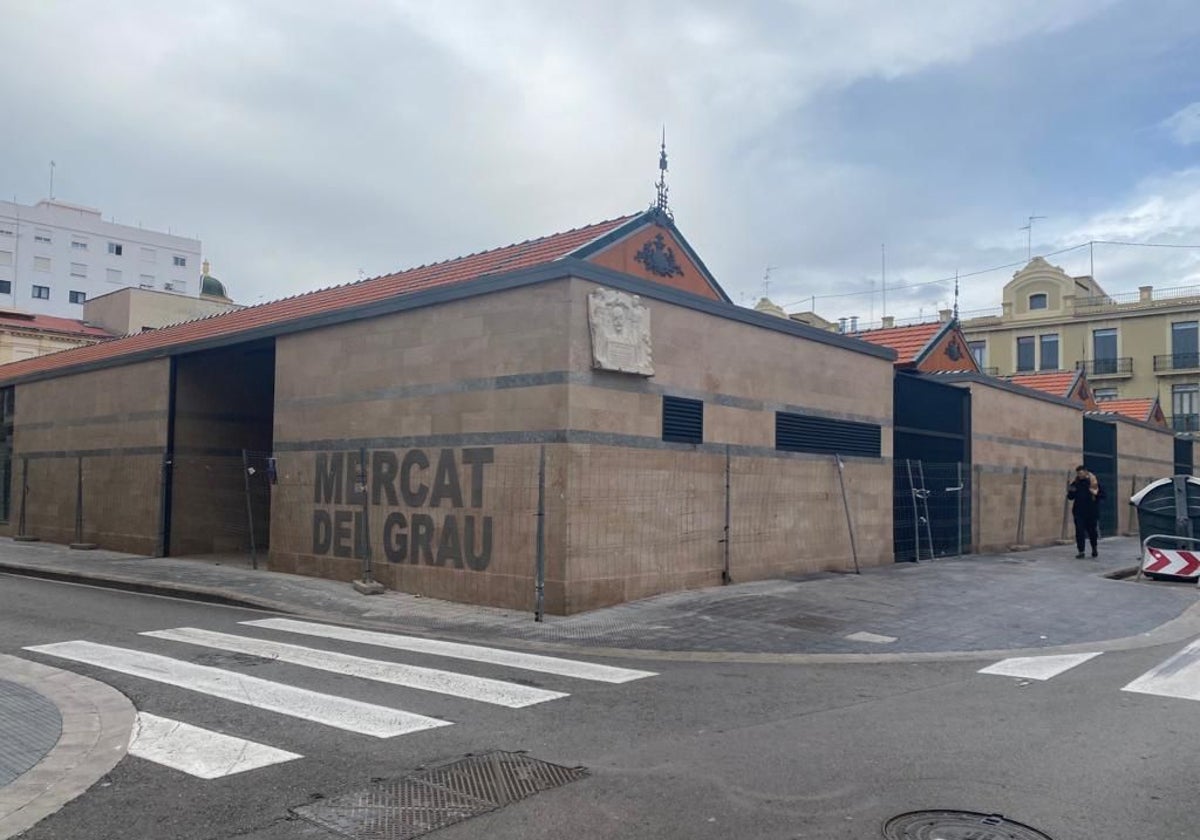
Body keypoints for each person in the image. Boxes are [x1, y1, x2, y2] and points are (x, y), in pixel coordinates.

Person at [1067, 465, 1102, 558]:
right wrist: (1071, 491)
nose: (1079, 475)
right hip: (1079, 512)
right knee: (1079, 532)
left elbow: (1102, 495)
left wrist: (1096, 494)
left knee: (1092, 532)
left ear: (1086, 472)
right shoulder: (1076, 483)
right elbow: (1070, 497)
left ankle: (1094, 548)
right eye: (1078, 473)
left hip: (1091, 512)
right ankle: (1081, 551)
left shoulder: (1093, 482)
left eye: (1081, 473)